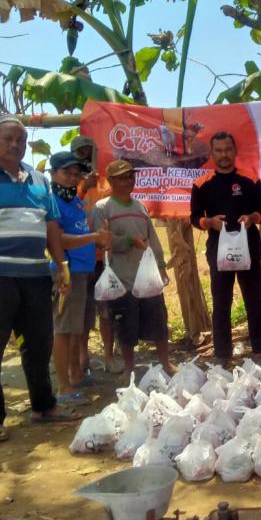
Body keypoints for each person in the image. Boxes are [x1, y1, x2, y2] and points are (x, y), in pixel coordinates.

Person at [0, 114, 79, 443]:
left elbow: (51, 226)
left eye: (21, 139)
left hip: (36, 277)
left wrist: (61, 264)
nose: (15, 144)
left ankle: (43, 406)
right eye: (8, 138)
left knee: (39, 345)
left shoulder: (40, 182)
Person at [190, 131, 261, 365]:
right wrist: (210, 223)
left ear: (235, 151)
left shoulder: (250, 179)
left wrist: (252, 218)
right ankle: (222, 354)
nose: (224, 154)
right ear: (212, 153)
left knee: (254, 299)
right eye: (219, 150)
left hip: (249, 245)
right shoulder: (202, 183)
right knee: (221, 302)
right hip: (218, 248)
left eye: (228, 149)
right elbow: (195, 218)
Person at [93, 160, 173, 376]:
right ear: (110, 181)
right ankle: (129, 369)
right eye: (122, 177)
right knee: (125, 327)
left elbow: (153, 239)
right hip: (122, 278)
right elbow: (103, 241)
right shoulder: (102, 208)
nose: (128, 180)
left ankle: (166, 364)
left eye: (130, 176)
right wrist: (128, 240)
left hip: (147, 277)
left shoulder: (140, 206)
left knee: (158, 321)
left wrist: (161, 266)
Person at [48, 151, 111, 405]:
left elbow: (78, 231)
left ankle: (75, 374)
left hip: (83, 269)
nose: (73, 178)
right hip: (67, 271)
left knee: (78, 327)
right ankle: (64, 388)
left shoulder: (74, 200)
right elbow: (56, 240)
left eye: (76, 174)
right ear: (53, 174)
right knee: (64, 330)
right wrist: (94, 238)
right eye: (67, 173)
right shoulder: (52, 202)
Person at [72, 135, 116, 374]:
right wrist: (82, 190)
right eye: (80, 154)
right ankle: (83, 357)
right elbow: (64, 214)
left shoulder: (107, 182)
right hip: (81, 257)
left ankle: (109, 356)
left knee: (106, 310)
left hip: (106, 258)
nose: (85, 158)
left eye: (88, 152)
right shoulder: (70, 184)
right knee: (83, 311)